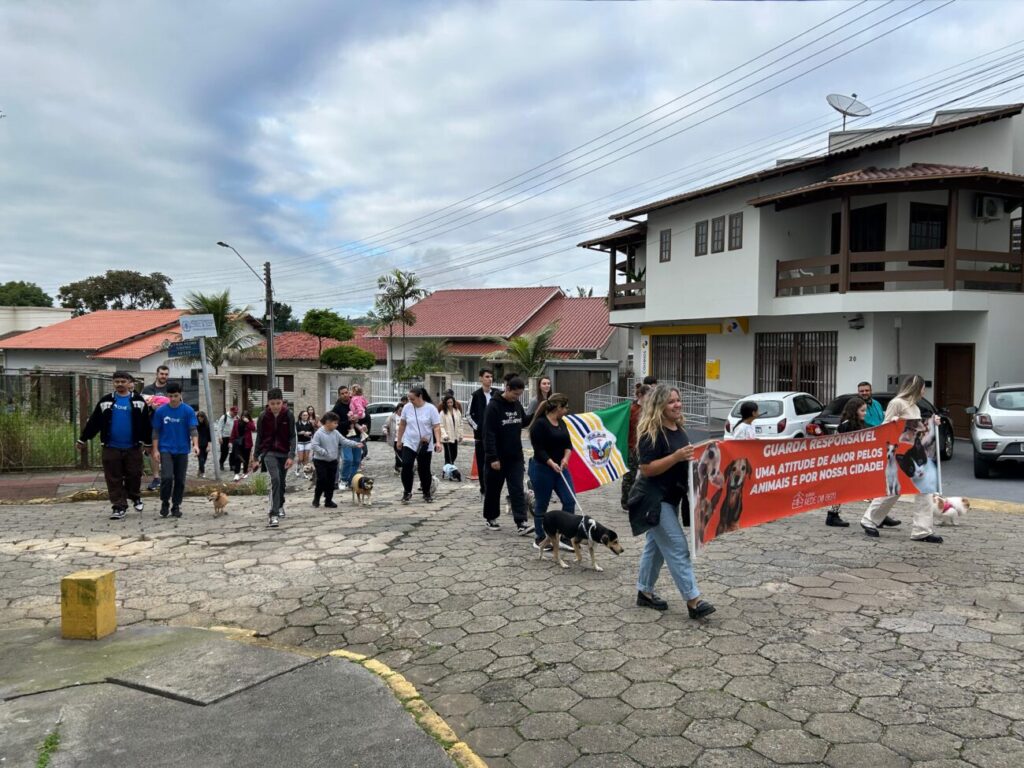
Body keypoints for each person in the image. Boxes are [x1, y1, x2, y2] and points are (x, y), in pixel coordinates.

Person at [634, 384, 716, 619]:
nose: (677, 405)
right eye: (671, 401)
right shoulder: (652, 432)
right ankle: (694, 601)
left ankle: (644, 592)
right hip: (653, 499)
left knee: (656, 548)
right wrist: (676, 457)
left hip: (671, 498)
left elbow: (684, 460)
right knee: (678, 548)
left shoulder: (678, 428)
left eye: (678, 400)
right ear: (659, 405)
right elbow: (647, 469)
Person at [860, 374, 942, 543]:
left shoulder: (915, 407)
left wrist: (933, 423)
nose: (924, 390)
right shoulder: (897, 403)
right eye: (922, 387)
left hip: (915, 451)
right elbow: (885, 426)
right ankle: (868, 520)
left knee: (924, 490)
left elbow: (918, 427)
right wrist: (894, 421)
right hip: (898, 452)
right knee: (894, 489)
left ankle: (922, 531)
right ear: (916, 387)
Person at [76, 370, 152, 520]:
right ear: (113, 383)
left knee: (134, 474)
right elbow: (94, 422)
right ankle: (118, 506)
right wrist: (83, 439)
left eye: (123, 381)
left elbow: (146, 425)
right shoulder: (106, 401)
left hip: (133, 447)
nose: (119, 384)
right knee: (113, 478)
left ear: (129, 383)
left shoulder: (138, 401)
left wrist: (148, 443)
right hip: (111, 447)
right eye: (117, 382)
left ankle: (135, 496)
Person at [527, 393, 578, 551]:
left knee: (569, 500)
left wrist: (565, 459)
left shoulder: (562, 423)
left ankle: (564, 536)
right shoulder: (539, 425)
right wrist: (551, 463)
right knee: (542, 503)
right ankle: (540, 537)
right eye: (565, 407)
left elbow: (568, 445)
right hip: (543, 468)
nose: (567, 410)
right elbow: (539, 450)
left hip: (560, 469)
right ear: (557, 407)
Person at [483, 376, 530, 533]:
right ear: (507, 389)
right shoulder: (493, 407)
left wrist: (540, 412)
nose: (517, 398)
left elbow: (523, 421)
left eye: (519, 395)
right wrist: (493, 457)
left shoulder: (516, 404)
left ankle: (521, 521)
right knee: (494, 489)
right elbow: (488, 434)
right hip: (498, 458)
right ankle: (491, 517)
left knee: (517, 488)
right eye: (515, 394)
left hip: (515, 456)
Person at [151, 382, 199, 519]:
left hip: (182, 450)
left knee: (180, 479)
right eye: (170, 396)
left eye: (176, 396)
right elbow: (156, 431)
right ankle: (165, 502)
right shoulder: (160, 411)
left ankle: (176, 504)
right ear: (167, 395)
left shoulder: (188, 411)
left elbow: (193, 429)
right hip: (166, 449)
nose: (173, 399)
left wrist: (196, 445)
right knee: (166, 477)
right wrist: (155, 450)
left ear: (180, 395)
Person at [252, 387, 296, 528]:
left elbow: (292, 436)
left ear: (282, 402)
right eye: (273, 403)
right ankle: (273, 514)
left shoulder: (288, 414)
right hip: (269, 452)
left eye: (278, 403)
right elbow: (259, 437)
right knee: (275, 479)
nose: (276, 406)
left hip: (284, 453)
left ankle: (280, 504)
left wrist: (291, 455)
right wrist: (255, 456)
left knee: (282, 482)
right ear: (268, 403)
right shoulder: (263, 416)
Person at [823, 397, 869, 528]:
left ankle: (878, 514)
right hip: (846, 464)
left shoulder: (857, 423)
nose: (865, 413)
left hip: (854, 463)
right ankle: (832, 515)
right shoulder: (846, 425)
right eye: (862, 410)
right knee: (841, 489)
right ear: (854, 411)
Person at [396, 386, 443, 504]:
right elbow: (402, 424)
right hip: (409, 442)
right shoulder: (407, 408)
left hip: (425, 443)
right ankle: (407, 491)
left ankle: (426, 492)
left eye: (412, 399)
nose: (410, 401)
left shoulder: (431, 408)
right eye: (409, 399)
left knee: (424, 469)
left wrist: (438, 442)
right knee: (406, 465)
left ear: (420, 396)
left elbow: (436, 427)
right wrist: (399, 440)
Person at [310, 412, 364, 508]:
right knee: (322, 480)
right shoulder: (319, 433)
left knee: (331, 481)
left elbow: (344, 440)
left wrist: (356, 444)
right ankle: (316, 498)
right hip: (320, 461)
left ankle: (328, 500)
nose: (337, 425)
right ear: (328, 422)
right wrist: (324, 452)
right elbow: (314, 445)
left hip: (333, 460)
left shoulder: (335, 432)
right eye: (335, 423)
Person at [621, 383, 651, 511]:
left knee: (647, 475)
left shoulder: (651, 410)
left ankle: (642, 499)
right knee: (630, 476)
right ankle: (626, 501)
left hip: (647, 447)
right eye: (648, 395)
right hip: (632, 447)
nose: (650, 397)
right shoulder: (631, 409)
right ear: (640, 395)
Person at [141, 364, 171, 491]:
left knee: (168, 451)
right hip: (153, 425)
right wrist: (151, 407)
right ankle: (156, 478)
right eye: (161, 374)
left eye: (166, 374)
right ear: (157, 374)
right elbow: (142, 406)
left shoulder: (172, 389)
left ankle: (167, 477)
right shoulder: (148, 389)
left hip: (169, 426)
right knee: (154, 451)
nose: (164, 376)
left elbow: (180, 403)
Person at [468, 368, 497, 498]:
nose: (489, 379)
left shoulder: (497, 394)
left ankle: (493, 486)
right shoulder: (475, 395)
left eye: (491, 376)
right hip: (480, 437)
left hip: (495, 436)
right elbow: (468, 415)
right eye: (487, 376)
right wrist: (477, 427)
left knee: (495, 460)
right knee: (481, 462)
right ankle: (483, 487)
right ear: (481, 378)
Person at [229, 411, 255, 481]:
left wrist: (248, 422)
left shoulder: (250, 422)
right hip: (238, 443)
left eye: (246, 416)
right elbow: (233, 432)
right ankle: (236, 473)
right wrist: (230, 441)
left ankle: (244, 472)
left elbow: (253, 428)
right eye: (243, 416)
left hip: (247, 443)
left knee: (246, 458)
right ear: (241, 416)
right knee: (237, 458)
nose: (244, 418)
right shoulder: (236, 422)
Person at [439, 395, 464, 466]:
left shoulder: (457, 411)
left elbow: (460, 423)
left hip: (455, 436)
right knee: (448, 455)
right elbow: (441, 425)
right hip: (447, 437)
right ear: (445, 403)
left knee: (454, 454)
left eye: (451, 402)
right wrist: (444, 435)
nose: (450, 404)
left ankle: (448, 466)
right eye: (448, 402)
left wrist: (460, 435)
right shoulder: (442, 413)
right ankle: (449, 469)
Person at [214, 406, 238, 472]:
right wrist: (220, 437)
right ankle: (221, 462)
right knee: (224, 452)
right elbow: (219, 428)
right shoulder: (224, 417)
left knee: (233, 452)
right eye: (234, 412)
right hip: (225, 437)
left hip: (233, 438)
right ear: (231, 411)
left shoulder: (236, 418)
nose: (235, 414)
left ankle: (232, 465)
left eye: (236, 413)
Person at [295, 409, 316, 476]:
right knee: (301, 459)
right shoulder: (297, 423)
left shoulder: (310, 423)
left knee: (306, 458)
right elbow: (294, 433)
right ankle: (297, 468)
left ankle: (305, 472)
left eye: (306, 415)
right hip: (300, 442)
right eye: (304, 415)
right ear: (301, 416)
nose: (305, 416)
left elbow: (313, 432)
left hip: (308, 442)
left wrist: (309, 433)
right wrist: (299, 433)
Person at [196, 411, 212, 478]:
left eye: (201, 417)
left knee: (204, 459)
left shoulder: (207, 425)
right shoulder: (195, 425)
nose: (200, 419)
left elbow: (209, 436)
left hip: (205, 444)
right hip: (197, 444)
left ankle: (200, 470)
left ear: (204, 417)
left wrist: (208, 445)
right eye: (199, 417)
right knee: (201, 459)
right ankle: (203, 472)